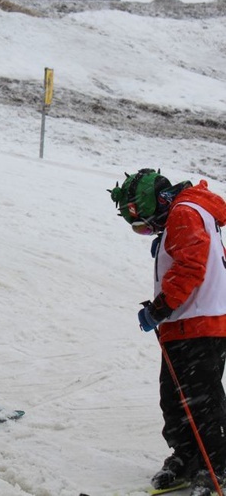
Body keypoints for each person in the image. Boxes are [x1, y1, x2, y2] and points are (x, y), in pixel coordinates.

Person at [110, 169, 226, 495]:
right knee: (175, 400)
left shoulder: (185, 212)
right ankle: (187, 455)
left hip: (200, 323)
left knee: (202, 401)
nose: (148, 231)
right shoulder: (186, 212)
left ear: (156, 204)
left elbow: (193, 265)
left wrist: (160, 308)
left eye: (145, 224)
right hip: (185, 322)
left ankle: (216, 466)